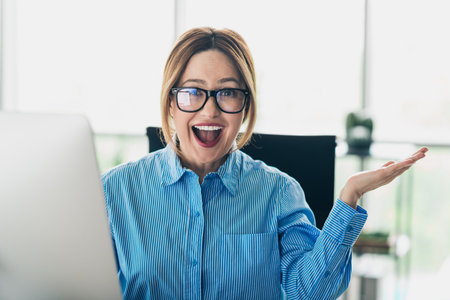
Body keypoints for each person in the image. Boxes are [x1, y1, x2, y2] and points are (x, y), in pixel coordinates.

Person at [101, 27, 427, 300]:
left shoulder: (278, 192)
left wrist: (349, 197)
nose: (210, 111)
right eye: (193, 92)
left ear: (245, 106)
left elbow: (308, 293)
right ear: (171, 103)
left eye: (228, 93)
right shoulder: (113, 191)